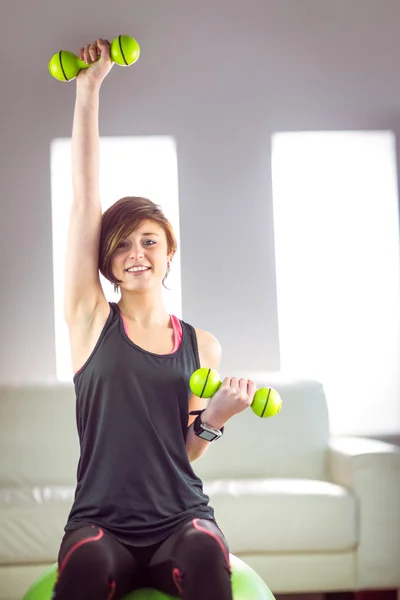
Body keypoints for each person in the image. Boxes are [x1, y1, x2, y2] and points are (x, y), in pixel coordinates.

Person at [53, 37, 257, 600]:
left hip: (181, 518)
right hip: (101, 523)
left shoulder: (201, 345)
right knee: (86, 571)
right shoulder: (90, 319)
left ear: (169, 252)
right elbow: (83, 198)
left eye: (149, 241)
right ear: (107, 262)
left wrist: (216, 416)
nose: (136, 253)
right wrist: (89, 88)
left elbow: (187, 447)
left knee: (207, 556)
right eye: (121, 246)